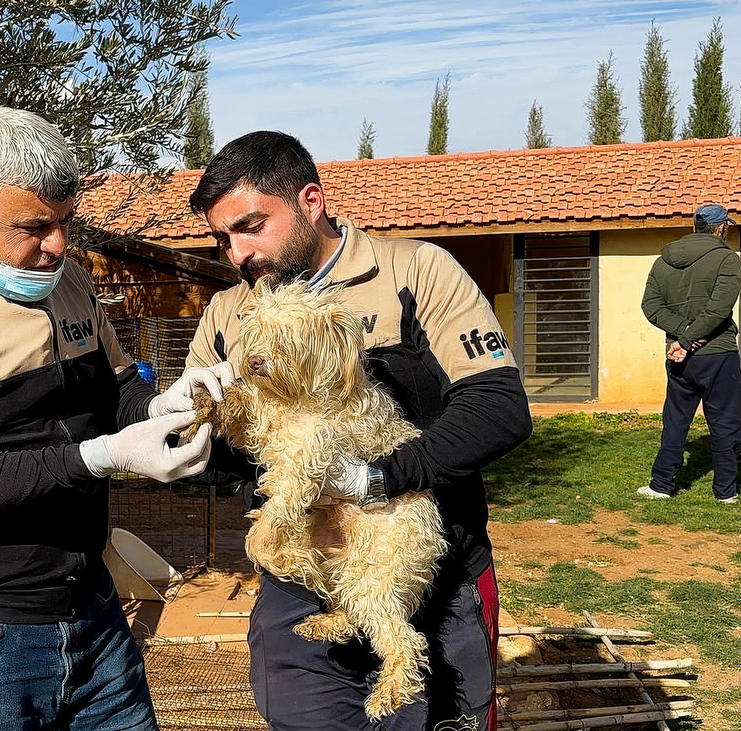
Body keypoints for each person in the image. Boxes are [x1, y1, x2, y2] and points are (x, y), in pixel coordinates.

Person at [0, 107, 232, 731]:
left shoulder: (69, 284)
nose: (58, 245)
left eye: (64, 222)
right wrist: (107, 456)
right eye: (34, 227)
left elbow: (116, 393)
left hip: (91, 609)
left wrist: (166, 405)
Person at [183, 131, 532, 731]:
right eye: (224, 239)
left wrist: (376, 479)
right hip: (302, 581)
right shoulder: (227, 314)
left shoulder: (415, 273)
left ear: (311, 201)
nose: (237, 254)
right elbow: (212, 452)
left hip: (429, 572)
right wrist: (191, 421)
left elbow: (497, 407)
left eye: (250, 226)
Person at [639, 203, 741, 504]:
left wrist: (682, 337)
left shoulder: (664, 261)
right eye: (728, 225)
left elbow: (651, 306)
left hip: (677, 357)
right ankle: (725, 492)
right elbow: (719, 309)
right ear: (721, 227)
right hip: (717, 355)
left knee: (675, 420)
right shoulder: (727, 259)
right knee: (724, 422)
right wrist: (689, 338)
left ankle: (661, 485)